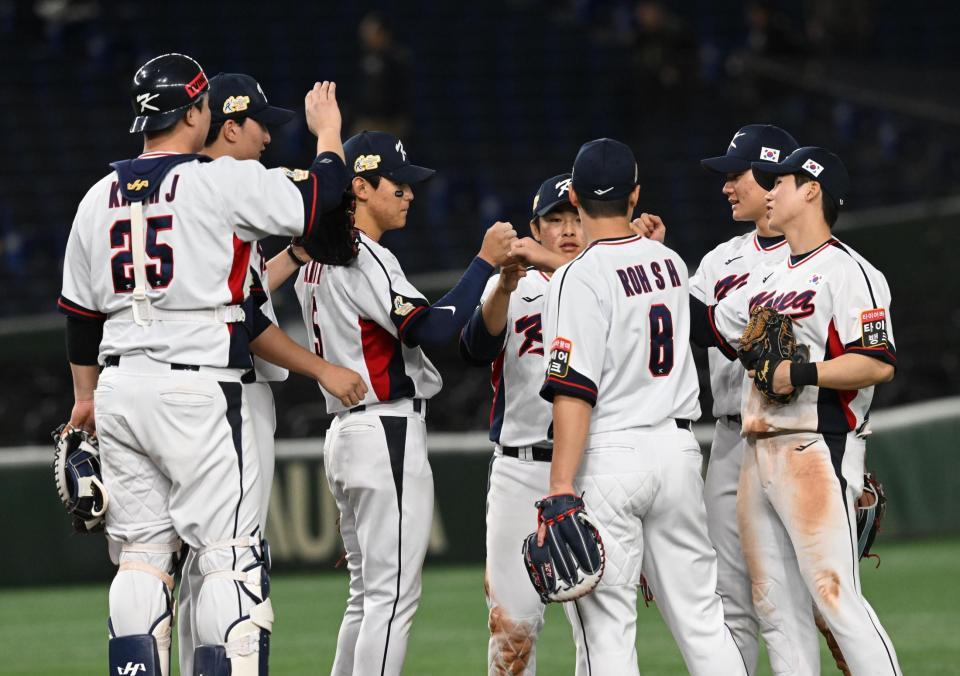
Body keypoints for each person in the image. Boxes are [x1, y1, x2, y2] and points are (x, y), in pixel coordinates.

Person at [58, 51, 349, 676]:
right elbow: (321, 196)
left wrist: (84, 400)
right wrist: (328, 135)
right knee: (227, 555)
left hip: (118, 386)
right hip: (201, 388)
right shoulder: (216, 179)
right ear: (195, 112)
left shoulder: (95, 196)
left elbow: (80, 316)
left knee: (140, 557)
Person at [294, 130, 516, 675]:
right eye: (398, 183)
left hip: (347, 434)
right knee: (391, 601)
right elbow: (434, 331)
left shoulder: (317, 257)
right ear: (362, 188)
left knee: (367, 596)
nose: (409, 193)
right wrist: (484, 264)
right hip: (383, 429)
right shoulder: (362, 255)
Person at [175, 71, 367, 676]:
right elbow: (248, 321)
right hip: (222, 391)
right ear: (228, 127)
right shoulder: (230, 185)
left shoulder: (177, 193)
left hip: (165, 385)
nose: (267, 138)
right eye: (262, 125)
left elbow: (245, 295)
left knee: (183, 565)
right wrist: (329, 132)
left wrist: (294, 256)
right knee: (235, 560)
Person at [537, 138, 746, 676]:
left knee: (608, 631)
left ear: (576, 200)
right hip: (678, 450)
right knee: (703, 618)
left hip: (611, 454)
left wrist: (560, 485)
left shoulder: (575, 275)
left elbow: (573, 389)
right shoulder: (673, 263)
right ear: (635, 195)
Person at [692, 146, 902, 675]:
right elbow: (701, 323)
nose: (770, 190)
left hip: (819, 442)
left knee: (835, 599)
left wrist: (802, 373)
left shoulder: (850, 270)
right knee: (775, 609)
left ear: (811, 190)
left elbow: (877, 362)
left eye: (780, 181)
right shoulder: (765, 277)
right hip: (757, 451)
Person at [692, 124, 823, 673]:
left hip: (797, 434)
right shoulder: (719, 260)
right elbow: (686, 326)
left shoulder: (817, 259)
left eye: (735, 173)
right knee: (730, 603)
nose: (726, 185)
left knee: (794, 601)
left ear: (772, 177)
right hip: (728, 439)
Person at [459, 173, 585, 674]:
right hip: (520, 466)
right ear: (536, 228)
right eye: (556, 219)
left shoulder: (608, 281)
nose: (569, 228)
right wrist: (504, 287)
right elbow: (473, 346)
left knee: (598, 626)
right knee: (512, 627)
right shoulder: (515, 283)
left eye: (577, 217)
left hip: (590, 467)